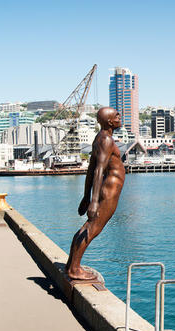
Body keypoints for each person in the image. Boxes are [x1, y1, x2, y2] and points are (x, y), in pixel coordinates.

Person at [65, 107, 126, 280]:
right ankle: (75, 269)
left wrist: (86, 195)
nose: (119, 118)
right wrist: (92, 201)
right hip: (110, 188)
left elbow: (91, 169)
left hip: (108, 187)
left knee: (88, 227)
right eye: (116, 116)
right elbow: (98, 170)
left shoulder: (100, 138)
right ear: (109, 121)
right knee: (93, 228)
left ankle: (71, 265)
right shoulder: (106, 140)